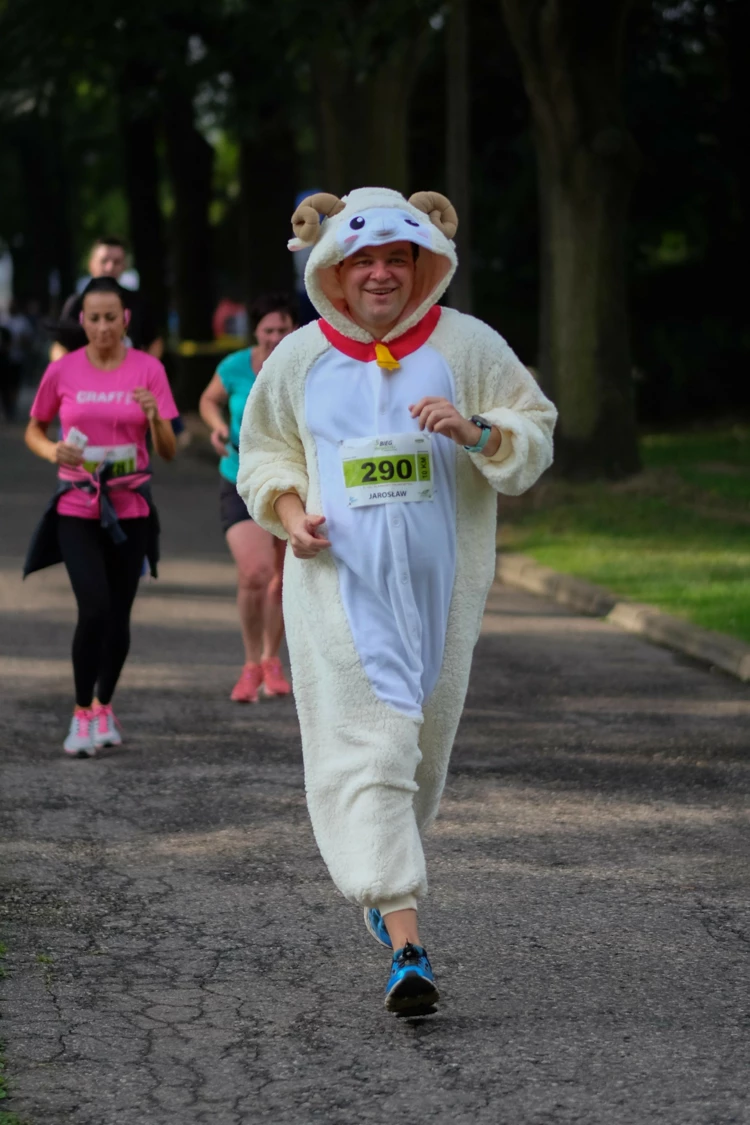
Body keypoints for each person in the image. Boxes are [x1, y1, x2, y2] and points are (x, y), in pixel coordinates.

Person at [237, 188, 557, 1017]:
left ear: (425, 262)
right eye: (362, 260)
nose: (380, 275)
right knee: (372, 753)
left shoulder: (466, 343)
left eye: (396, 259)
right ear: (333, 268)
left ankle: (384, 891)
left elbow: (533, 431)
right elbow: (264, 455)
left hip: (441, 598)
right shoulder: (298, 358)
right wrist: (288, 515)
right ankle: (409, 946)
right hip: (337, 597)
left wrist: (476, 429)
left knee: (417, 760)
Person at [24, 277, 178, 757]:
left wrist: (155, 419)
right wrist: (53, 450)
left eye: (112, 317)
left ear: (125, 319)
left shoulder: (148, 369)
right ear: (82, 321)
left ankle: (104, 704)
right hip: (77, 504)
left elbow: (169, 452)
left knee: (118, 614)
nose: (103, 326)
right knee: (93, 608)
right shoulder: (63, 370)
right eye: (94, 318)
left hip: (130, 508)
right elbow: (35, 428)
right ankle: (81, 714)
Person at [199, 293, 296, 702]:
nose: (275, 337)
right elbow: (208, 400)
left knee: (282, 579)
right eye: (268, 330)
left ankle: (272, 660)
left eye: (283, 330)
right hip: (239, 477)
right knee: (254, 572)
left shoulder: (303, 363)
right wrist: (217, 427)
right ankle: (249, 662)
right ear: (256, 331)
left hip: (291, 480)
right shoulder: (235, 366)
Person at [50, 237, 164, 362]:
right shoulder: (76, 303)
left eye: (117, 262)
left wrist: (145, 372)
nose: (110, 267)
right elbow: (60, 347)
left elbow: (154, 342)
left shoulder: (138, 302)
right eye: (104, 261)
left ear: (124, 266)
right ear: (91, 264)